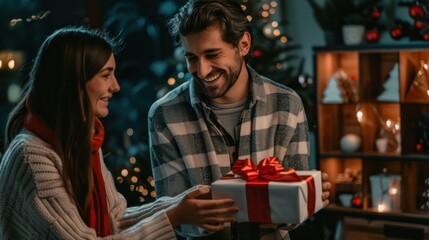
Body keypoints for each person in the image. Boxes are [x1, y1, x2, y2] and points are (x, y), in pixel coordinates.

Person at [0, 26, 239, 240]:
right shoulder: (32, 155)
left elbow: (114, 218)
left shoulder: (83, 142)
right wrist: (173, 216)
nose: (115, 86)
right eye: (106, 75)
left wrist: (182, 202)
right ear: (74, 81)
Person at [148, 0, 331, 239]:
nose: (201, 71)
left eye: (212, 54)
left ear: (243, 44)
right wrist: (262, 201)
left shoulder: (288, 104)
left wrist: (309, 196)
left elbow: (292, 215)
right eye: (192, 58)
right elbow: (173, 216)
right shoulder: (165, 115)